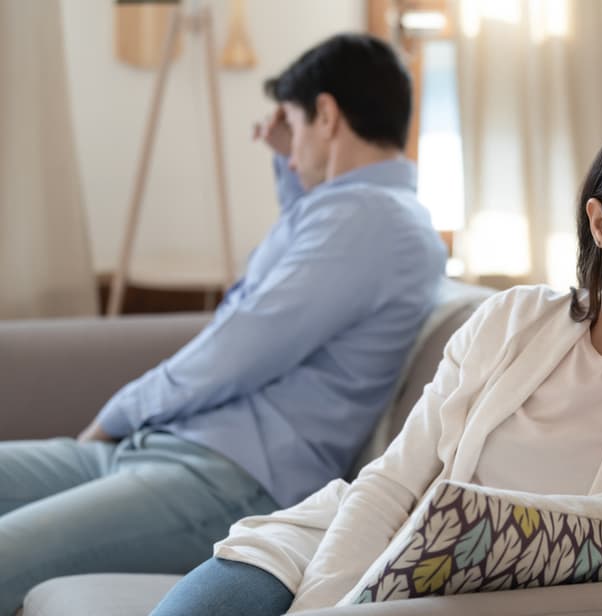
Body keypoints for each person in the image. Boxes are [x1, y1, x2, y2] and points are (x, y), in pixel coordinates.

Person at [151, 113, 602, 615]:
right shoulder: (513, 319)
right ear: (599, 224)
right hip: (340, 547)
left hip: (455, 597)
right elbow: (393, 482)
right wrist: (325, 606)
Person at [0, 33, 447, 615]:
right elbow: (293, 250)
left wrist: (117, 414)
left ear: (327, 115)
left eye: (293, 123)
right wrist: (288, 162)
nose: (290, 150)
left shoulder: (375, 222)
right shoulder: (348, 214)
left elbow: (240, 347)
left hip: (227, 478)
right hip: (174, 448)